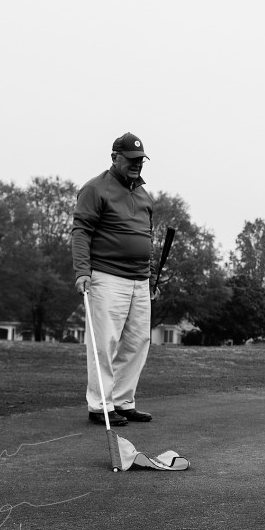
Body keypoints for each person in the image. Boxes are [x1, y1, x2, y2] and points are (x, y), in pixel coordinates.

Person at [71, 132, 156, 426]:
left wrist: (151, 276)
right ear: (114, 158)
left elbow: (146, 238)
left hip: (139, 280)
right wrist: (82, 270)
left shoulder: (144, 195)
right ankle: (100, 405)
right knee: (104, 342)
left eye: (140, 160)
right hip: (107, 276)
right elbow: (81, 231)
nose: (136, 165)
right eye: (131, 160)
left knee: (138, 340)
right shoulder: (95, 189)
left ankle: (123, 400)